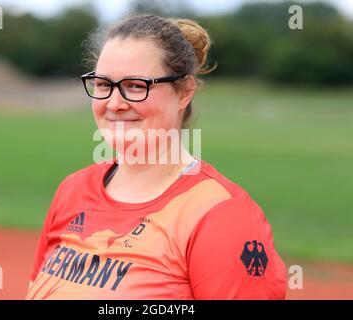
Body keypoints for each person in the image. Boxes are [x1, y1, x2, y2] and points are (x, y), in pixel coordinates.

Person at [26, 14, 286, 300]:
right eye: (102, 84)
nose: (114, 103)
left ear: (184, 92)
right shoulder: (72, 190)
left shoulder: (220, 214)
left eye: (136, 86)